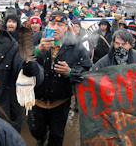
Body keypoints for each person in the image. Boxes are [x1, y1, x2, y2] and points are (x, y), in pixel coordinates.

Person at [30, 11, 91, 146]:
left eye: (60, 24)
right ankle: (41, 137)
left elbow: (87, 69)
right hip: (36, 99)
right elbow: (21, 60)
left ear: (65, 27)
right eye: (52, 24)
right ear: (47, 26)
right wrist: (37, 50)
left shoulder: (75, 44)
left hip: (60, 102)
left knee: (57, 137)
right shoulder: (36, 39)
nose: (56, 28)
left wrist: (70, 72)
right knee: (35, 131)